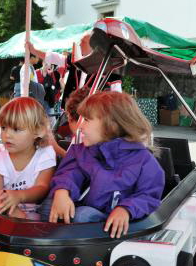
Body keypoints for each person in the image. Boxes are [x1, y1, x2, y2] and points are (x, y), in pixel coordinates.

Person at [40, 91, 165, 239]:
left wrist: (126, 209)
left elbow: (148, 196)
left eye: (86, 120)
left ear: (110, 126)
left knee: (83, 216)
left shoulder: (144, 161)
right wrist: (62, 191)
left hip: (113, 222)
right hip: (81, 208)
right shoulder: (82, 151)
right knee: (49, 206)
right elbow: (69, 173)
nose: (80, 126)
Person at [0, 97, 56, 220]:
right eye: (3, 128)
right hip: (9, 213)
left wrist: (19, 196)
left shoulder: (45, 156)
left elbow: (42, 187)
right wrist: (14, 213)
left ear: (38, 131)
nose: (7, 135)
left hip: (40, 210)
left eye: (16, 129)